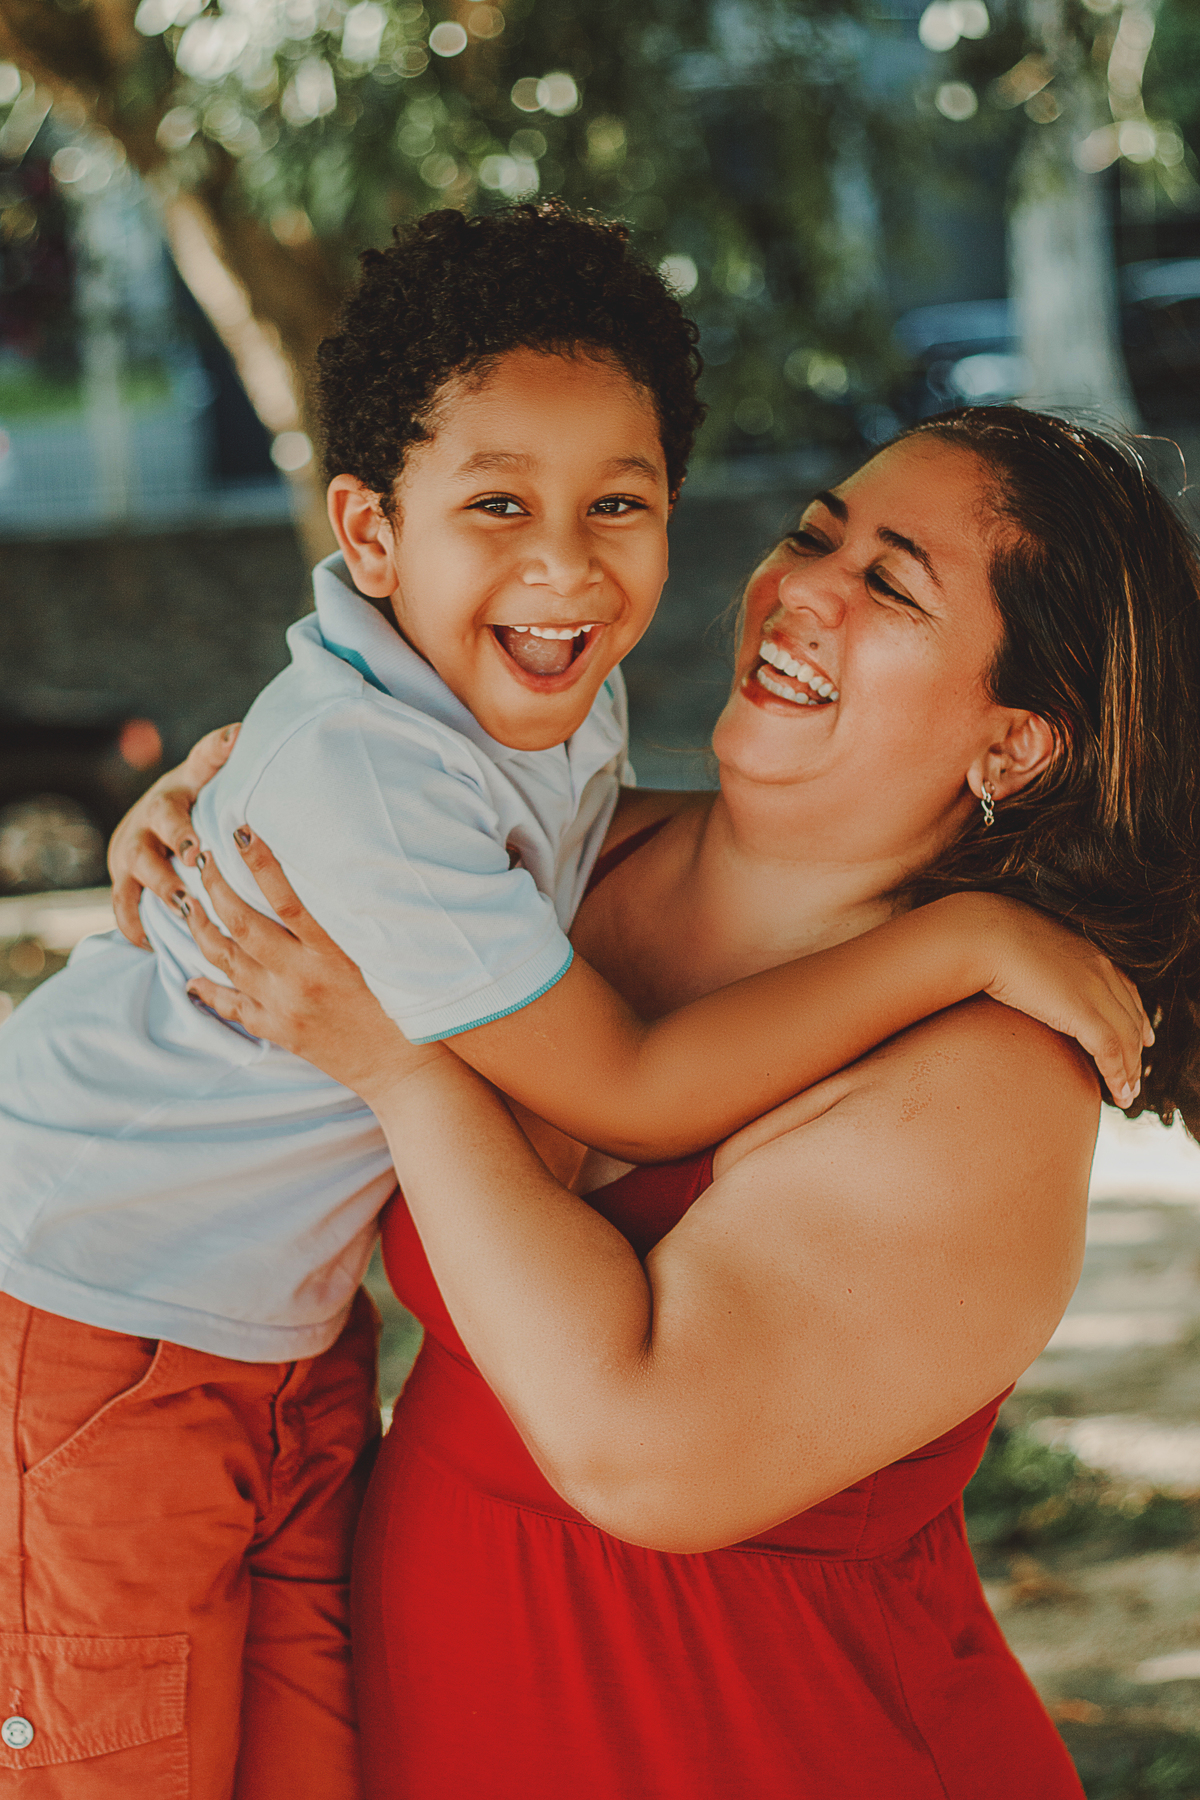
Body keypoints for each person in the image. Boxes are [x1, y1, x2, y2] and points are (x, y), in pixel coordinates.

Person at [0, 201, 1142, 1794]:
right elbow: (361, 797)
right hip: (205, 1424)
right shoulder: (568, 855)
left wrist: (407, 1074)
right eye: (814, 534)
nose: (804, 590)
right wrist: (217, 787)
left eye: (892, 585)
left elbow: (638, 1447)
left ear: (1015, 743)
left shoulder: (990, 1070)